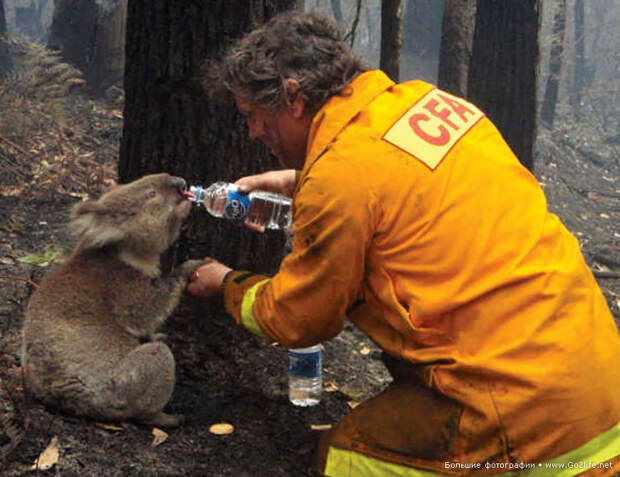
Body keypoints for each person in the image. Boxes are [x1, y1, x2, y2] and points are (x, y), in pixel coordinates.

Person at [187, 10, 620, 477]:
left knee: (346, 457)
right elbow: (396, 184)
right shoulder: (426, 103)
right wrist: (298, 181)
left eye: (254, 116)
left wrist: (226, 283)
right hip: (598, 385)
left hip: (526, 419)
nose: (252, 133)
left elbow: (298, 318)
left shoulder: (341, 179)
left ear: (293, 97)